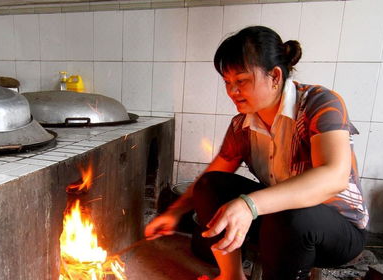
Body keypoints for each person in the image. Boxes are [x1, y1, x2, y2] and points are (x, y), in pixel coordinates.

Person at [144, 26, 368, 280]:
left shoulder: (320, 103)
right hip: (277, 218)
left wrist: (249, 204)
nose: (232, 91)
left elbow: (333, 177)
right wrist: (174, 212)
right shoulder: (243, 125)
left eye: (241, 81)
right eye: (227, 82)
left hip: (338, 229)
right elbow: (214, 173)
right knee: (211, 185)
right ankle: (231, 276)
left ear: (274, 76)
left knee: (288, 215)